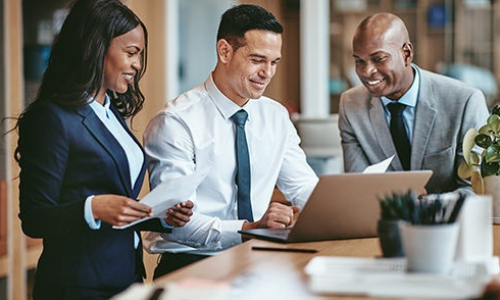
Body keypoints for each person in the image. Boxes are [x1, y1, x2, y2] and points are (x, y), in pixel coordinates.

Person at [14, 0, 193, 299]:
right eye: (131, 53)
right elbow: (35, 217)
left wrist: (160, 215)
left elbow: (114, 204)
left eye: (140, 55)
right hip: (77, 287)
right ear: (96, 48)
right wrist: (93, 207)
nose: (137, 65)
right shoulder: (52, 118)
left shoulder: (110, 113)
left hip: (126, 276)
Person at [143, 4, 319, 278]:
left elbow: (304, 188)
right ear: (224, 51)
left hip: (260, 260)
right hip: (192, 266)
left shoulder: (275, 117)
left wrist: (334, 211)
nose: (267, 73)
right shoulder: (176, 121)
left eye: (274, 62)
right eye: (257, 59)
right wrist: (251, 228)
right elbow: (178, 223)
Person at [338, 12, 489, 195]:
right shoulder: (351, 105)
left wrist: (426, 206)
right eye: (359, 61)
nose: (367, 71)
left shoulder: (465, 101)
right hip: (381, 221)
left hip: (448, 221)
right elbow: (359, 187)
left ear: (406, 54)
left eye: (378, 59)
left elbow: (475, 189)